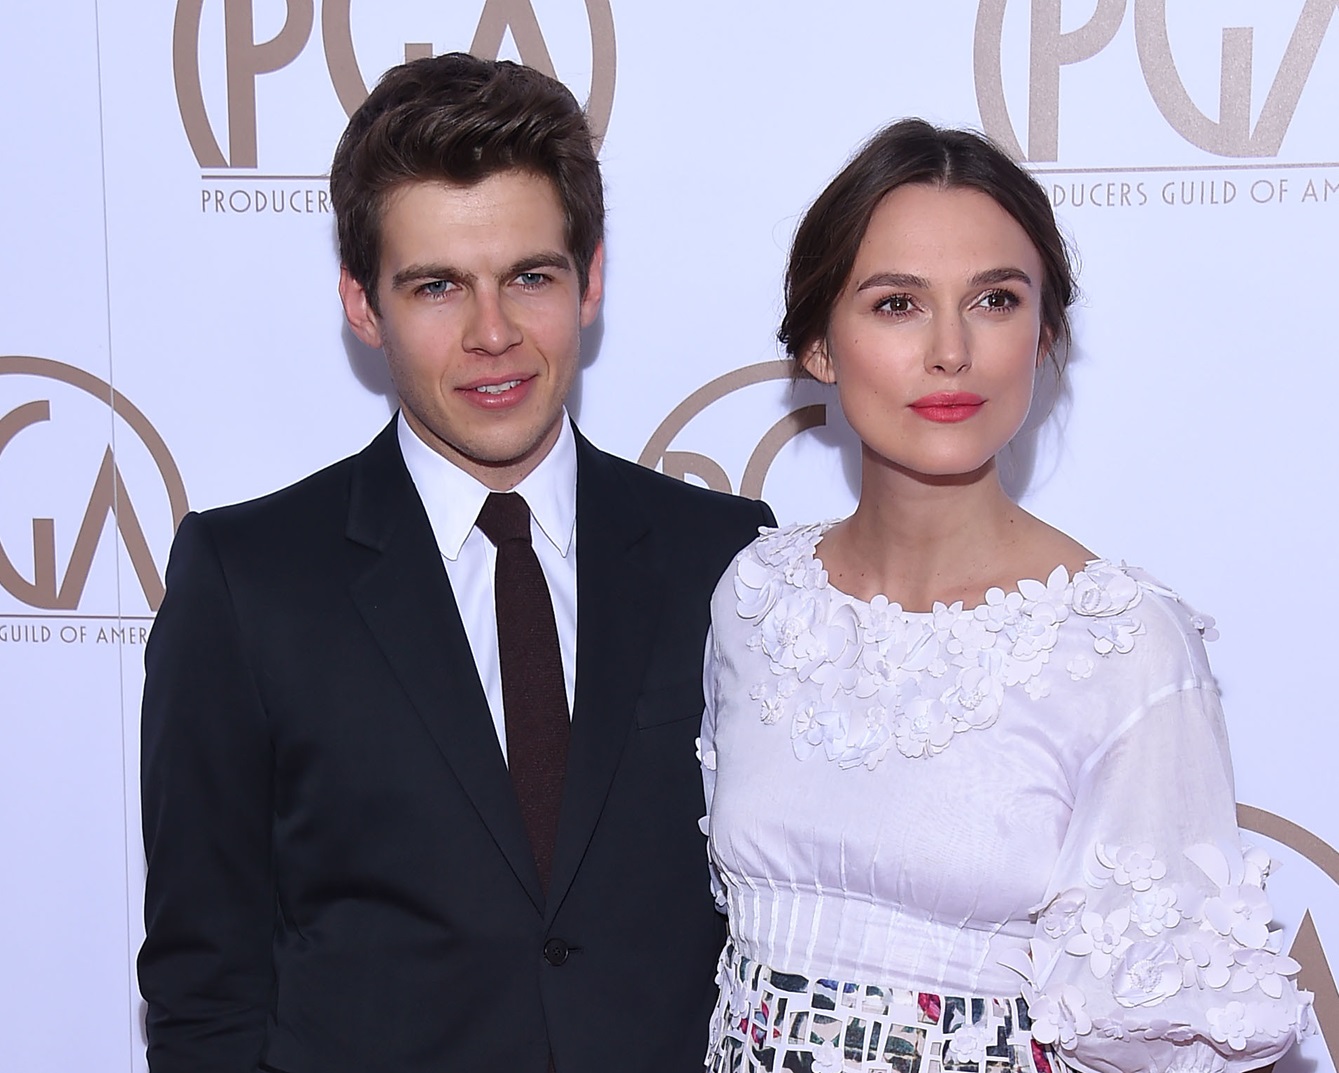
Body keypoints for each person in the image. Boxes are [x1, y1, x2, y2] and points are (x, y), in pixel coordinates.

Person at [138, 52, 773, 1073]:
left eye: (529, 275)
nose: (492, 332)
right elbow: (203, 981)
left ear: (590, 280)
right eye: (436, 286)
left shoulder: (727, 557)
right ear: (361, 302)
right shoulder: (247, 579)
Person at [699, 119, 1311, 1073]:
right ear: (819, 343)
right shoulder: (756, 598)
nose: (952, 350)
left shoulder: (1118, 644)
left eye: (993, 299)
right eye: (897, 303)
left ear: (1043, 334)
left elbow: (1166, 1040)